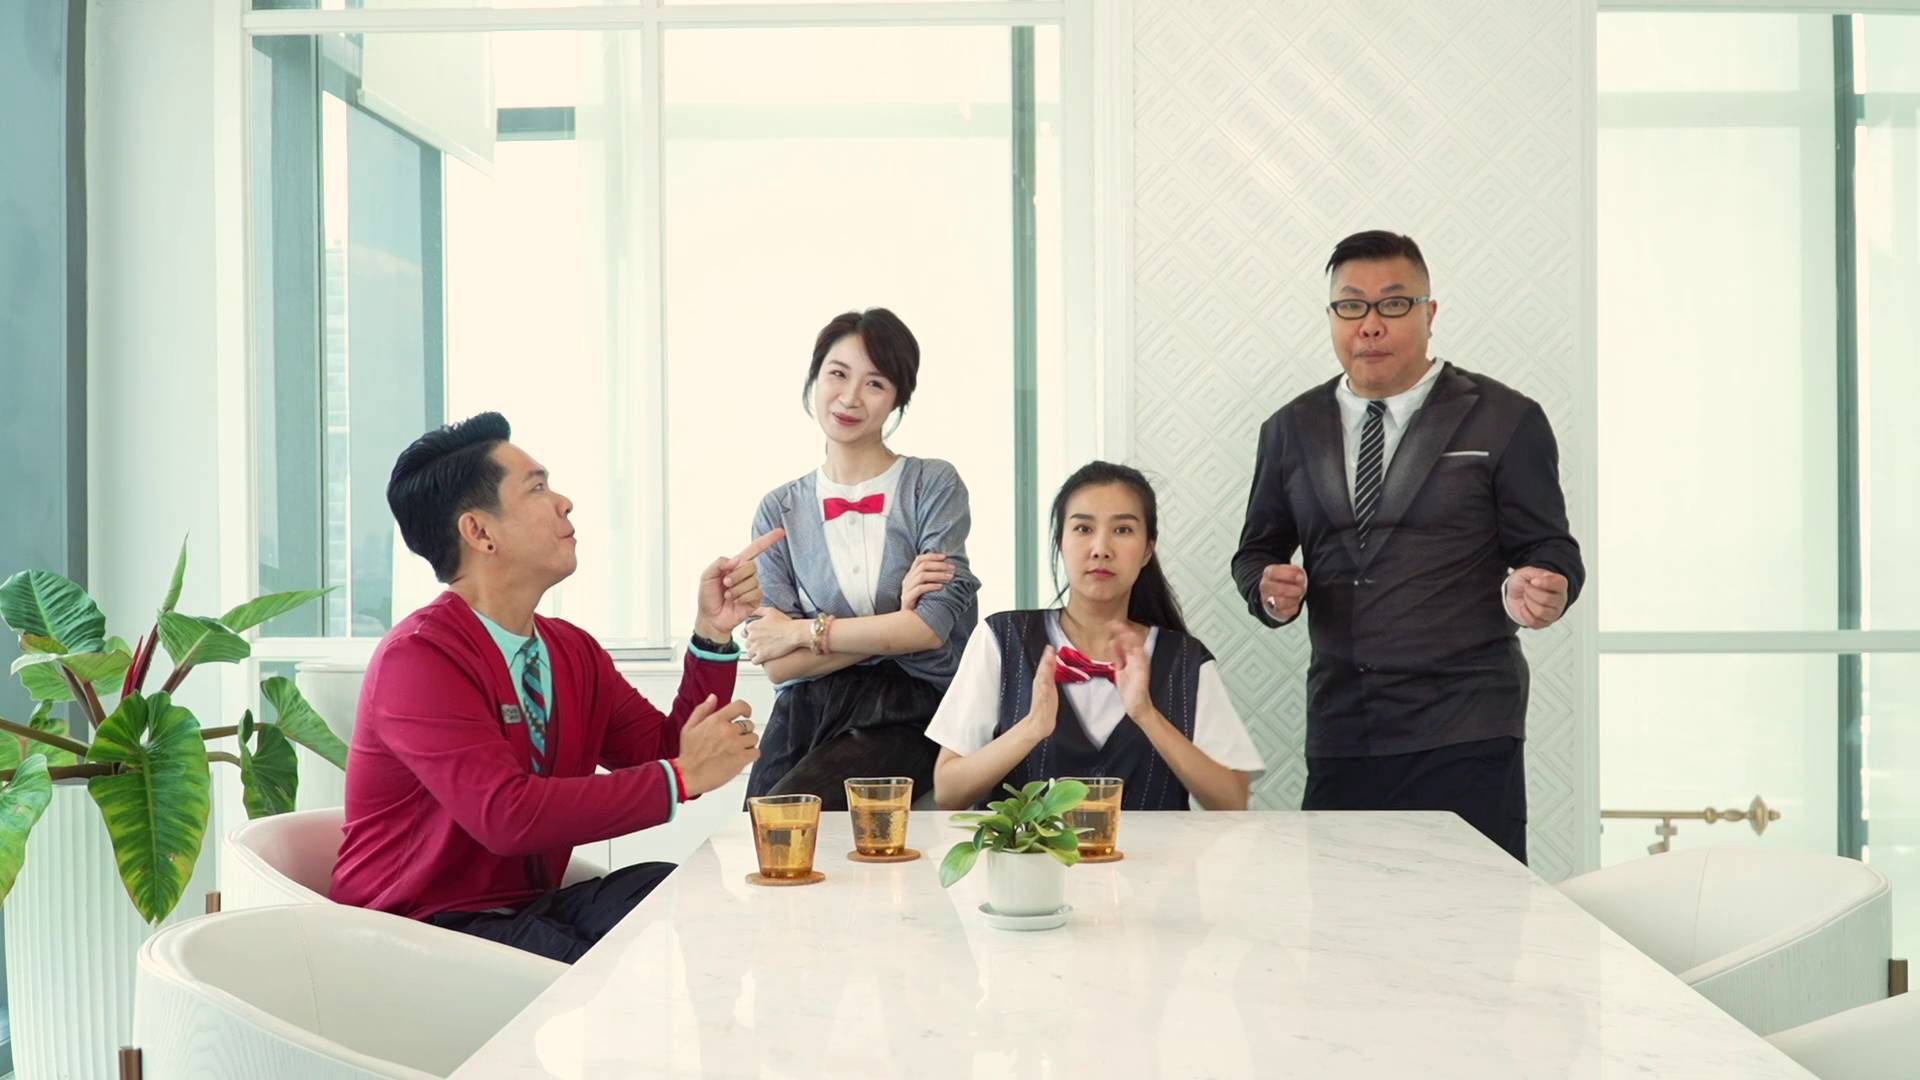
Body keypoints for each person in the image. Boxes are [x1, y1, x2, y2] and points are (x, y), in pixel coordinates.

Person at [332, 412, 770, 962]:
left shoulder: (571, 650)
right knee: (603, 964)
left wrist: (713, 633)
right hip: (418, 929)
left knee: (683, 894)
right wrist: (681, 775)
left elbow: (666, 752)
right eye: (537, 488)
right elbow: (507, 816)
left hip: (524, 909)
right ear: (480, 532)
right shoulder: (419, 658)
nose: (564, 502)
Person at [1230, 230, 1585, 863]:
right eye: (1351, 305)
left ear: (1430, 313)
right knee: (1342, 915)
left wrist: (1545, 585)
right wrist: (1267, 588)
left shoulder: (1504, 417)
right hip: (1343, 728)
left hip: (1467, 728)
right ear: (1332, 316)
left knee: (1471, 914)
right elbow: (1256, 550)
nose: (1370, 324)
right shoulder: (1290, 429)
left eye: (1393, 304)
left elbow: (1552, 549)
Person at [741, 308, 980, 809]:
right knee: (758, 837)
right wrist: (896, 623)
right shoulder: (778, 509)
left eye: (875, 383)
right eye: (838, 374)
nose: (850, 398)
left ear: (898, 398)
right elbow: (779, 667)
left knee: (790, 818)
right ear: (815, 377)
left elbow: (930, 631)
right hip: (804, 712)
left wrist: (801, 631)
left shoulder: (932, 485)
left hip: (909, 708)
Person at [927, 461, 1263, 811]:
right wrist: (1031, 728)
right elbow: (948, 791)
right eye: (1083, 528)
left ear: (1148, 549)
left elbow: (1232, 801)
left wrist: (1146, 714)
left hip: (1154, 852)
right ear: (1060, 542)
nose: (1101, 548)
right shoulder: (1001, 638)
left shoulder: (1186, 660)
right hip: (1025, 850)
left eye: (1123, 530)